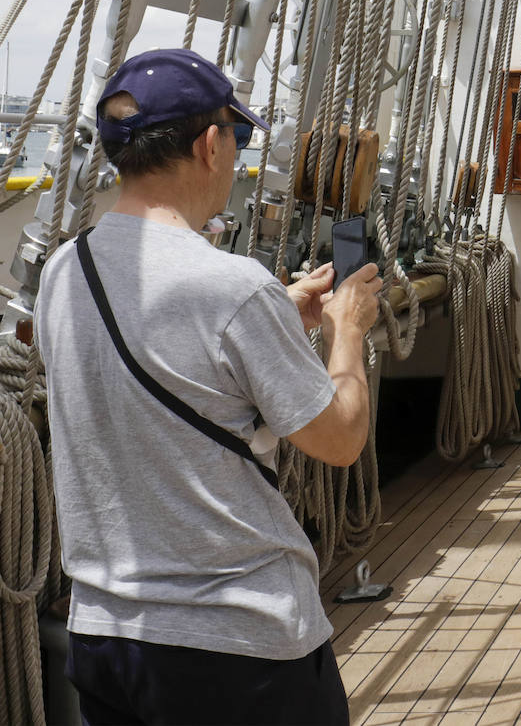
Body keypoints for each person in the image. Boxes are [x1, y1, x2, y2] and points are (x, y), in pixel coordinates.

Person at [35, 48, 382, 724]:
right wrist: (346, 331)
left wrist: (276, 314)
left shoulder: (62, 271)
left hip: (107, 637)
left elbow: (161, 358)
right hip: (238, 648)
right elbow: (338, 439)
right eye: (239, 135)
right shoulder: (232, 288)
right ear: (209, 144)